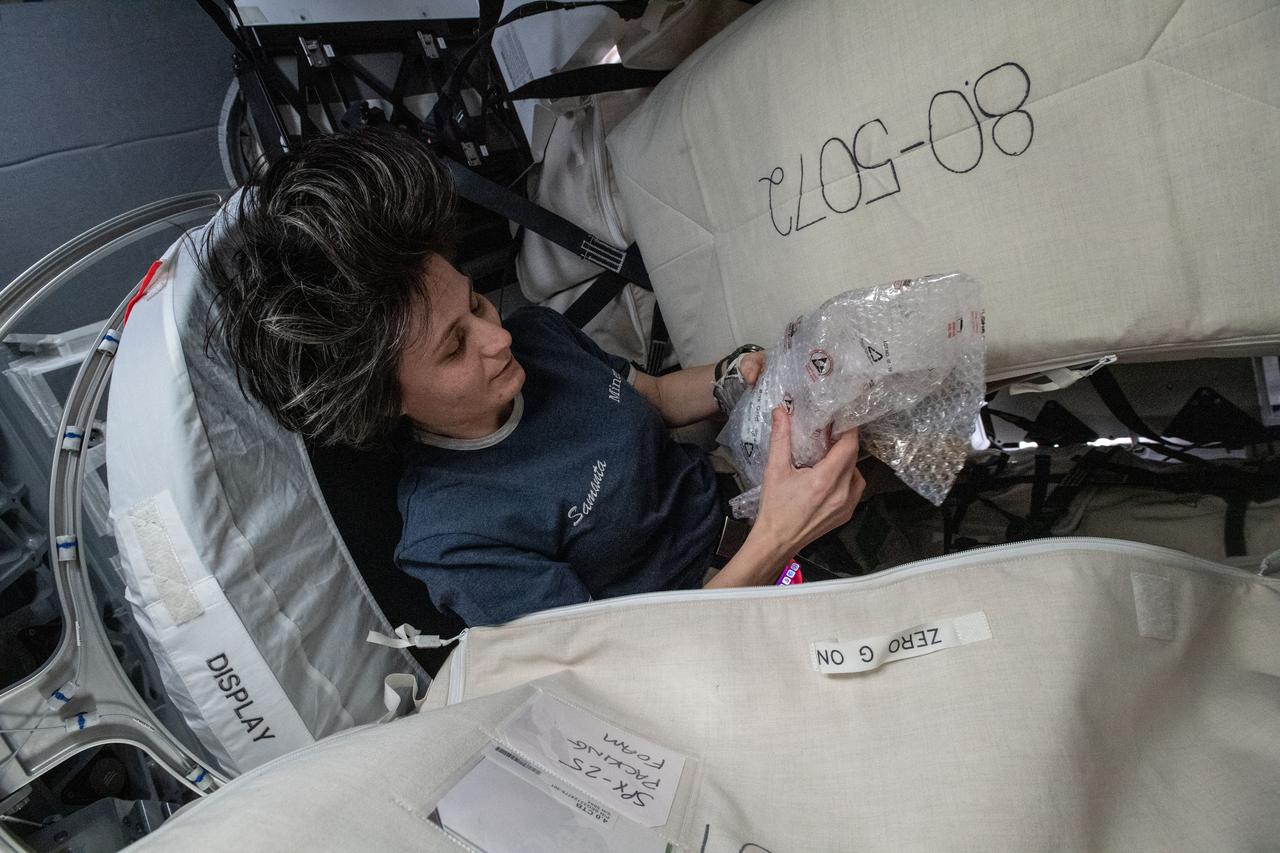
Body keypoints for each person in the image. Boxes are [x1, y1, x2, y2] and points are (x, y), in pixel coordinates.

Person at [203, 127, 865, 627]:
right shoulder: (456, 537)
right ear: (382, 401)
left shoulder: (538, 339)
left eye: (476, 303)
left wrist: (736, 376)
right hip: (723, 619)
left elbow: (659, 398)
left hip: (753, 515)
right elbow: (627, 665)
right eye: (455, 347)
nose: (498, 339)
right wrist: (779, 538)